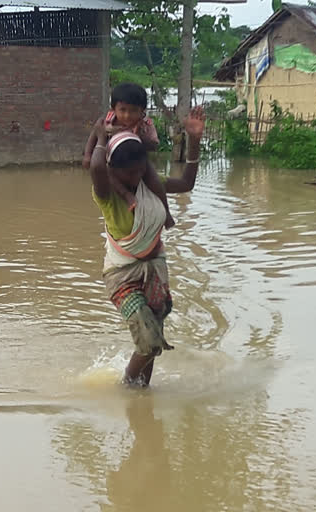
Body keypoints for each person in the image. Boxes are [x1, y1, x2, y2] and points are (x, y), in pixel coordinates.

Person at [90, 106, 206, 387]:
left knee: (153, 337)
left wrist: (194, 140)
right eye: (129, 173)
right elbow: (95, 167)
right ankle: (127, 386)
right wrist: (102, 138)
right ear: (114, 171)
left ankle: (143, 394)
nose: (136, 177)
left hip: (154, 269)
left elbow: (187, 182)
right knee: (151, 344)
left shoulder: (151, 185)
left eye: (141, 170)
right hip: (122, 276)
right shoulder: (108, 195)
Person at [83, 83, 176, 230]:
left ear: (142, 111)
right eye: (123, 110)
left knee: (154, 179)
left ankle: (166, 212)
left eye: (133, 111)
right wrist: (88, 155)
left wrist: (137, 136)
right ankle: (126, 196)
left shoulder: (145, 124)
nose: (127, 115)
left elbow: (154, 145)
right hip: (113, 162)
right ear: (114, 109)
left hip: (137, 162)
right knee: (109, 174)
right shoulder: (106, 121)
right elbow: (94, 135)